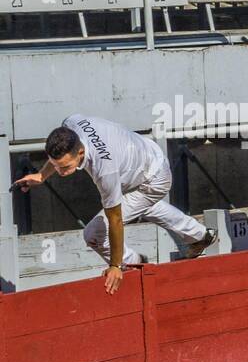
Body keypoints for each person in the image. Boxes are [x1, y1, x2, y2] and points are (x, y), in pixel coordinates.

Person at [14, 115, 216, 295]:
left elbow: (116, 220)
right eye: (55, 165)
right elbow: (58, 158)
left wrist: (115, 265)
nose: (60, 172)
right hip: (142, 156)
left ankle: (134, 262)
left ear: (81, 152)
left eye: (65, 167)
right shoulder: (70, 123)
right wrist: (42, 175)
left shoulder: (104, 170)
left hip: (153, 179)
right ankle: (200, 235)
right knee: (142, 204)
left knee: (93, 235)